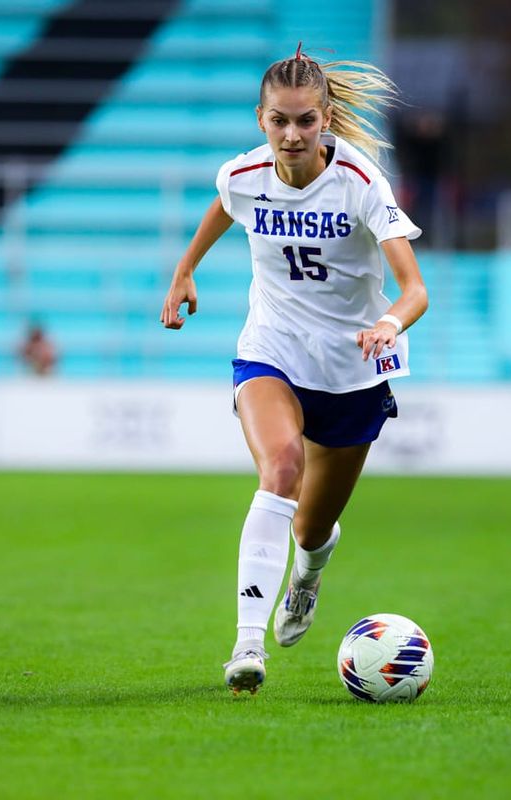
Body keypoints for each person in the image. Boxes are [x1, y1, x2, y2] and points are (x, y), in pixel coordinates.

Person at [160, 45, 427, 695]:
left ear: (326, 117)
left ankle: (305, 580)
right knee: (281, 466)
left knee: (312, 529)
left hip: (352, 372)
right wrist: (185, 270)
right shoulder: (245, 174)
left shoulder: (362, 184)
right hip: (272, 348)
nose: (292, 135)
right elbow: (225, 205)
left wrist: (388, 323)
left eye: (306, 121)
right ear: (261, 119)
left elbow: (414, 288)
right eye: (279, 121)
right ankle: (246, 646)